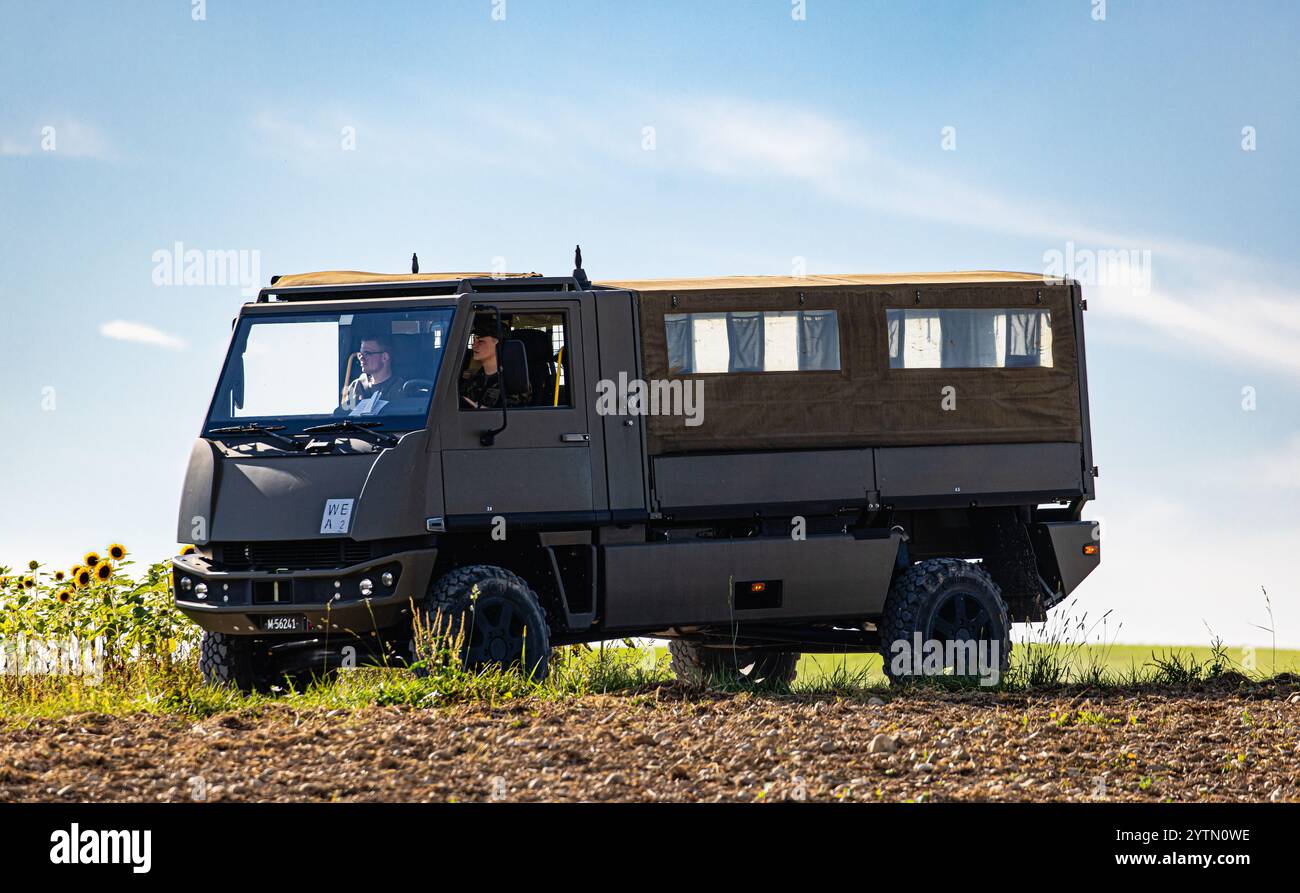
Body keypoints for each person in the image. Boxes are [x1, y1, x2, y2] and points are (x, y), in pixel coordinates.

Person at [460, 316, 532, 409]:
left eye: (480, 341)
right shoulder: (475, 379)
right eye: (474, 340)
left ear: (498, 345)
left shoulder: (515, 381)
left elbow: (514, 416)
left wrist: (478, 409)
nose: (474, 345)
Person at [344, 334, 406, 414]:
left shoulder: (401, 389)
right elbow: (345, 416)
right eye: (360, 354)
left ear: (385, 357)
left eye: (366, 353)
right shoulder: (356, 385)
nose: (361, 358)